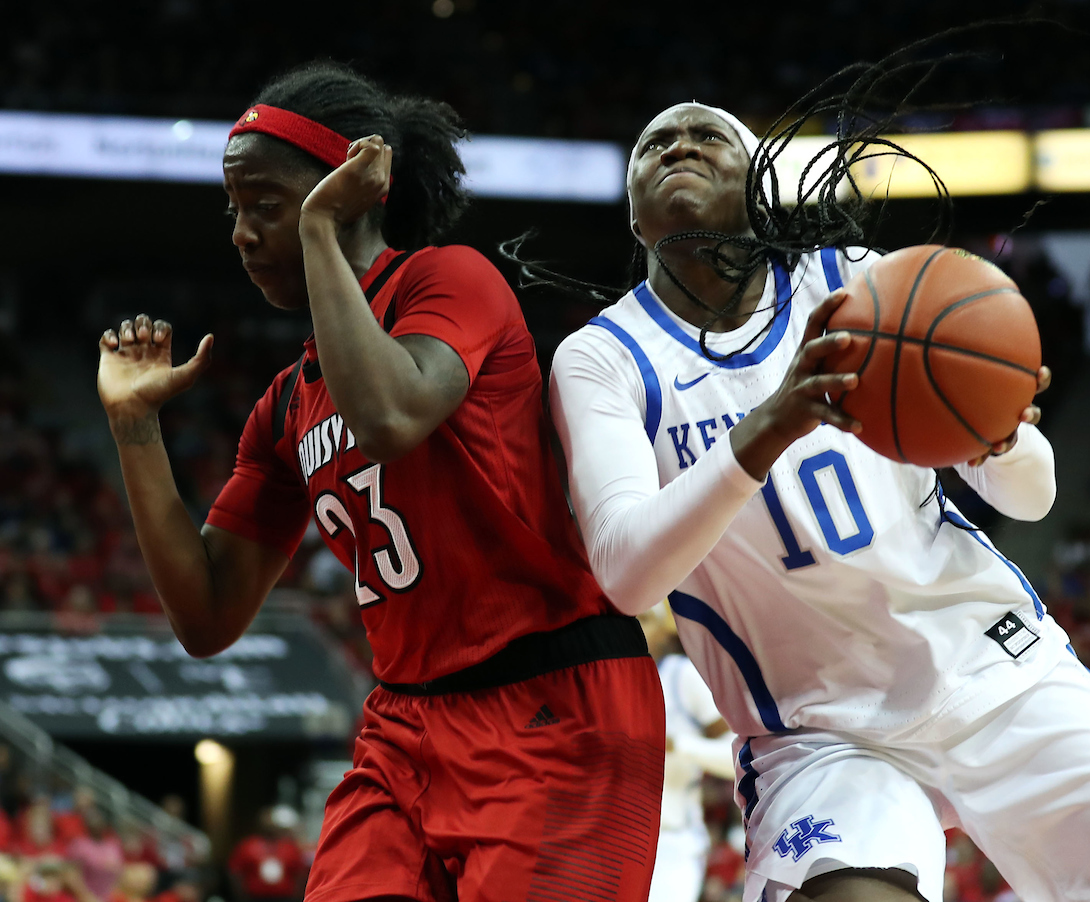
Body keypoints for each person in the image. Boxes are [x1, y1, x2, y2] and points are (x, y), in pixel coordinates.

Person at [543, 98, 1090, 902]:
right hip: (817, 731)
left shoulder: (856, 282)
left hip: (989, 667)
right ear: (636, 217)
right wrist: (769, 425)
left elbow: (1031, 498)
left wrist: (1000, 433)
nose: (679, 144)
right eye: (655, 143)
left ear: (759, 189)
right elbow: (626, 572)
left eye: (708, 135)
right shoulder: (602, 357)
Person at [95, 61, 664, 902]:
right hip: (405, 725)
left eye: (266, 206)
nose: (240, 234)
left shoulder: (450, 280)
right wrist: (135, 429)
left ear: (348, 195)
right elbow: (208, 617)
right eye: (233, 210)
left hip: (554, 701)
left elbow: (392, 417)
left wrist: (321, 231)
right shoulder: (285, 404)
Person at [638, 603, 735, 902]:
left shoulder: (681, 676)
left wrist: (678, 745)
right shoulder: (600, 678)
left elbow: (738, 758)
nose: (634, 629)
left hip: (670, 843)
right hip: (602, 837)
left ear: (661, 627)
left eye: (641, 620)